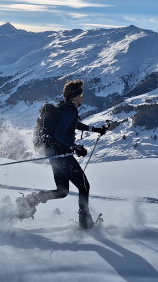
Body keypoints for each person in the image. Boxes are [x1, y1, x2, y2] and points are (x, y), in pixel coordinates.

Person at [16, 79, 107, 229]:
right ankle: (85, 222)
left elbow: (74, 124)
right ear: (74, 95)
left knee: (62, 191)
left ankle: (32, 200)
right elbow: (59, 133)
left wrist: (95, 130)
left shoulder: (64, 107)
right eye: (81, 94)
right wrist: (75, 147)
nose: (82, 97)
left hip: (55, 155)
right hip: (63, 155)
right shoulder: (70, 109)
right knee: (84, 186)